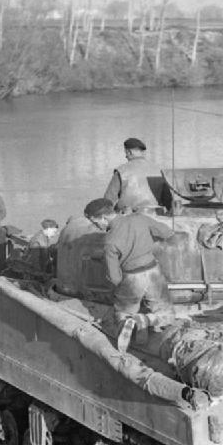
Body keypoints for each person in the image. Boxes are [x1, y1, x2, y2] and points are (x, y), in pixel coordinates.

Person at [85, 197, 181, 349]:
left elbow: (114, 276)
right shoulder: (140, 218)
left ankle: (130, 328)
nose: (96, 226)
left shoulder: (109, 241)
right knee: (166, 312)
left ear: (103, 218)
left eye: (95, 222)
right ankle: (148, 320)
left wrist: (118, 288)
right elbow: (167, 233)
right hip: (154, 272)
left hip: (131, 278)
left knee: (122, 314)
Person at [103, 137, 162, 213]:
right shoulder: (158, 170)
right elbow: (167, 199)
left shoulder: (121, 171)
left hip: (129, 215)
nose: (126, 156)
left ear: (129, 152)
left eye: (126, 153)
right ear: (142, 152)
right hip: (155, 214)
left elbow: (108, 200)